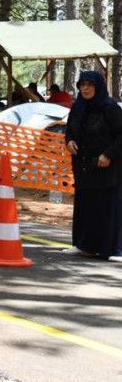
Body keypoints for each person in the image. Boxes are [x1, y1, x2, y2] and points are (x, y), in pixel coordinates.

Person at [64, 71, 122, 261]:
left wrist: (109, 154)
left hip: (108, 168)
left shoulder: (109, 108)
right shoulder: (78, 107)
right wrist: (69, 141)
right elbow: (70, 129)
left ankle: (114, 249)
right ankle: (84, 245)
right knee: (86, 206)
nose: (85, 88)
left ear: (98, 87)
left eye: (89, 85)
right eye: (82, 85)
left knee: (107, 207)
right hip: (84, 166)